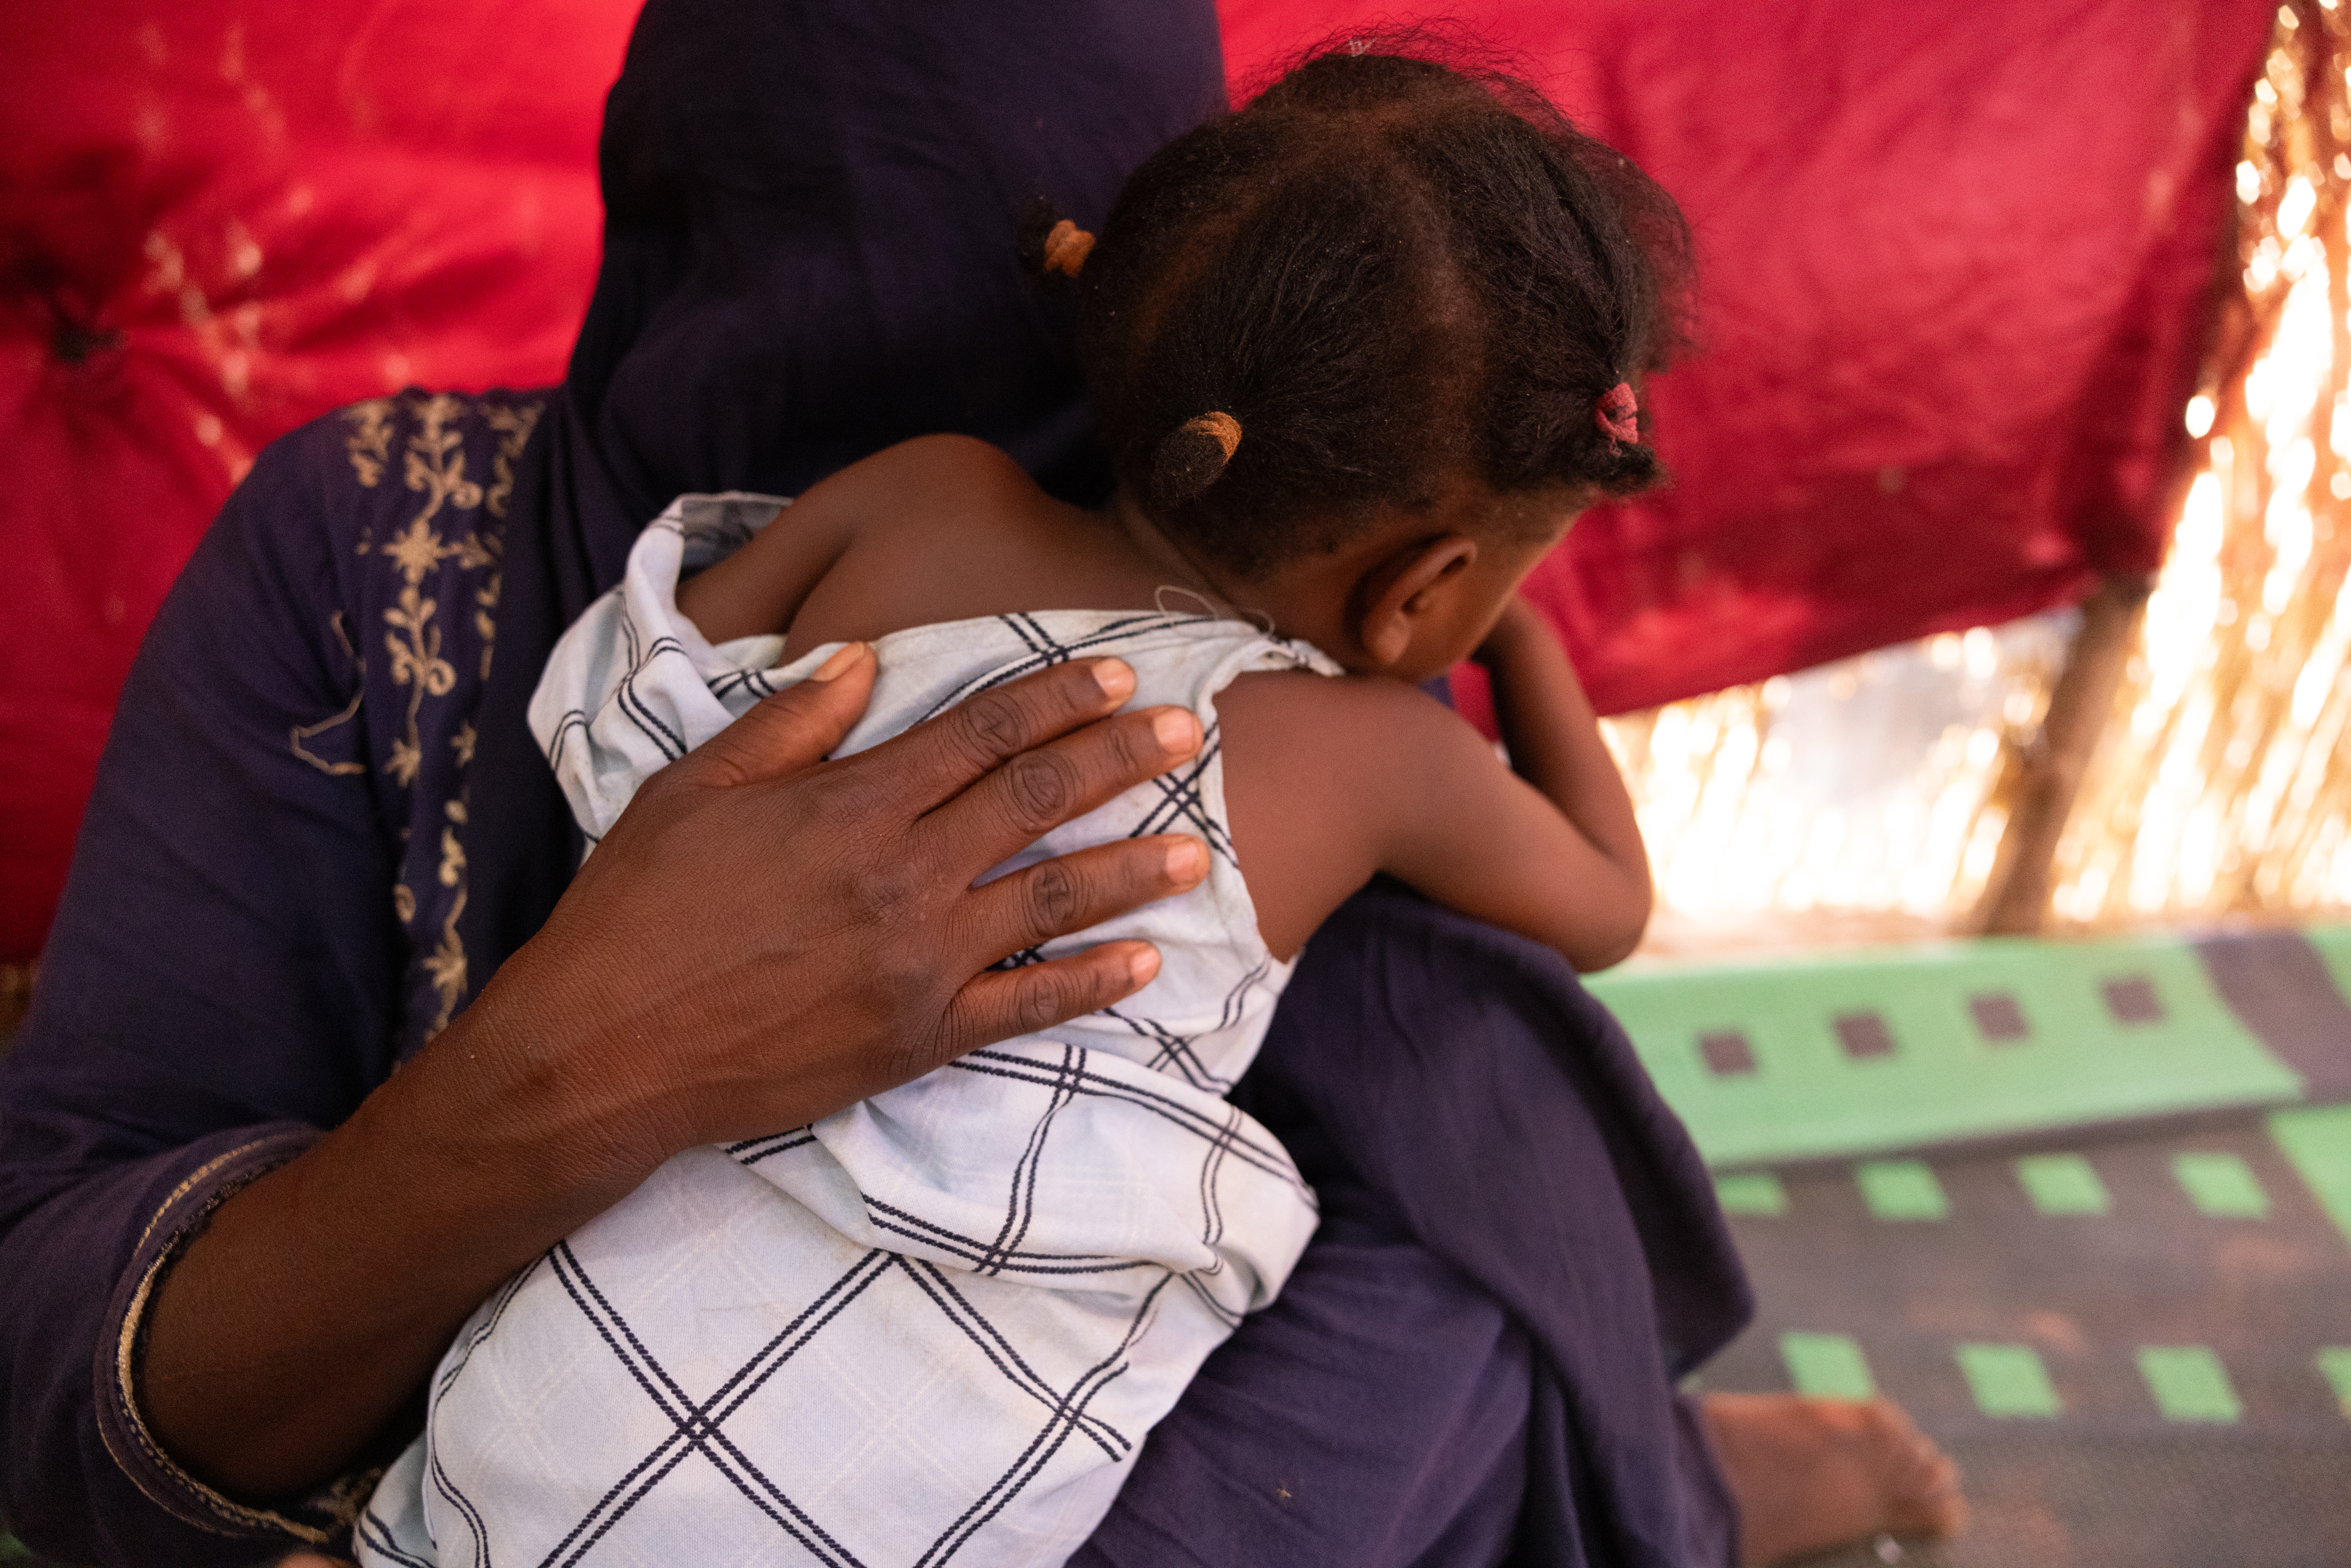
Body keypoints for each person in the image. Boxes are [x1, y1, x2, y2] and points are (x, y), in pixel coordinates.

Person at [0, 3, 1962, 1565]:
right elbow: (51, 1377)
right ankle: (1655, 1481)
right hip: (574, 1469)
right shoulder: (382, 559)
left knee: (1487, 1198)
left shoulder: (939, 530)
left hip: (730, 1477)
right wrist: (590, 1054)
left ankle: (1652, 1474)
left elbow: (1457, 1247)